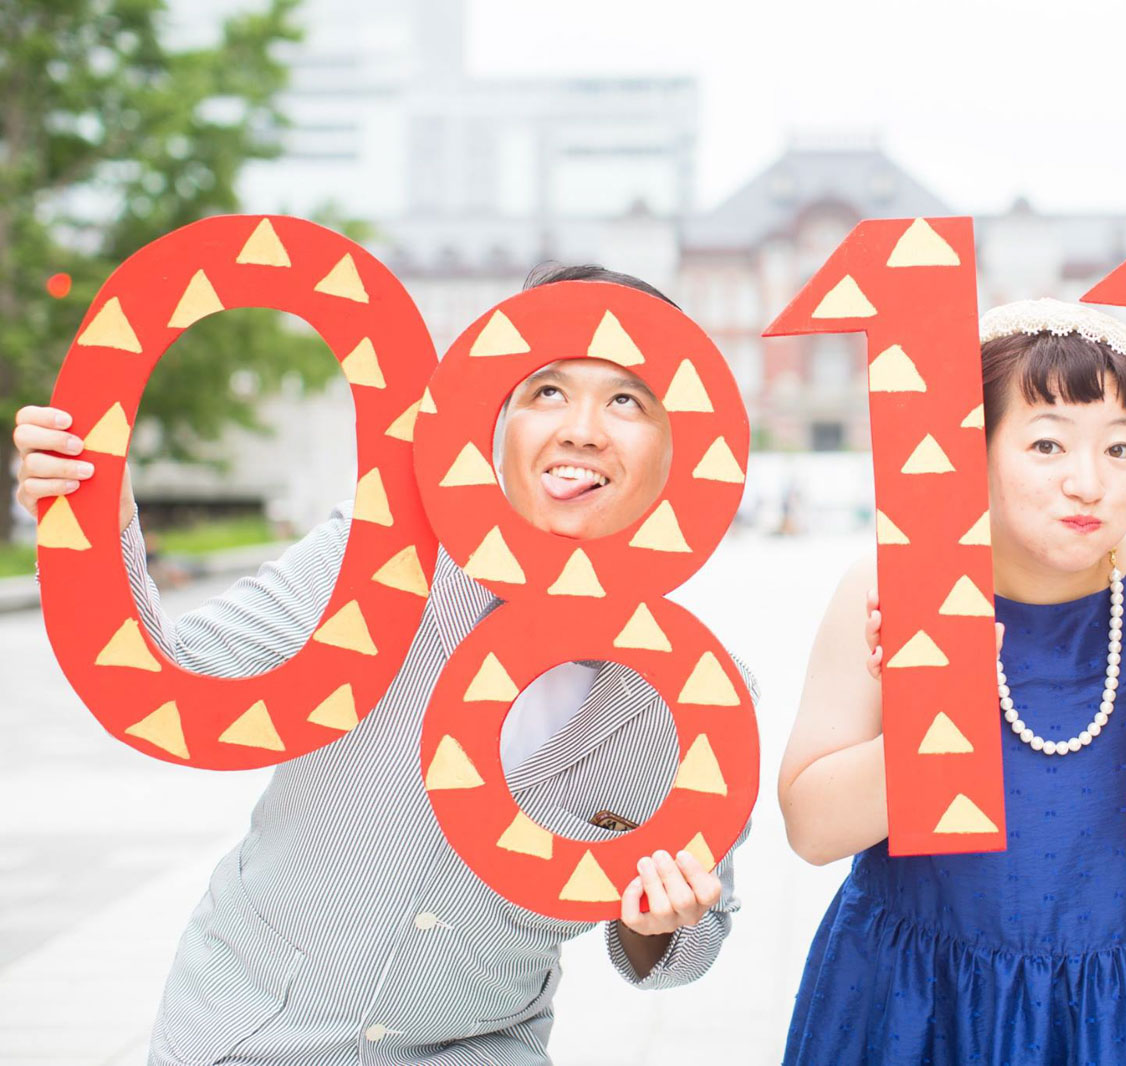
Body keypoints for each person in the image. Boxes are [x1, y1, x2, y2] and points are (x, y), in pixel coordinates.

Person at [12, 264, 754, 1065]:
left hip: (478, 1047)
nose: (579, 428)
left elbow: (694, 943)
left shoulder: (693, 694)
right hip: (245, 1035)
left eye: (626, 399)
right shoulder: (376, 557)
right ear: (495, 418)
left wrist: (660, 924)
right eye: (546, 391)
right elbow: (174, 674)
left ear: (682, 447)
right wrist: (103, 517)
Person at [777, 299, 1126, 1065]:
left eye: (1120, 450)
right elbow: (812, 830)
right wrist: (937, 701)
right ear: (971, 453)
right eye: (1047, 444)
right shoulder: (891, 585)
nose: (1087, 483)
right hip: (914, 1001)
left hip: (1120, 1011)